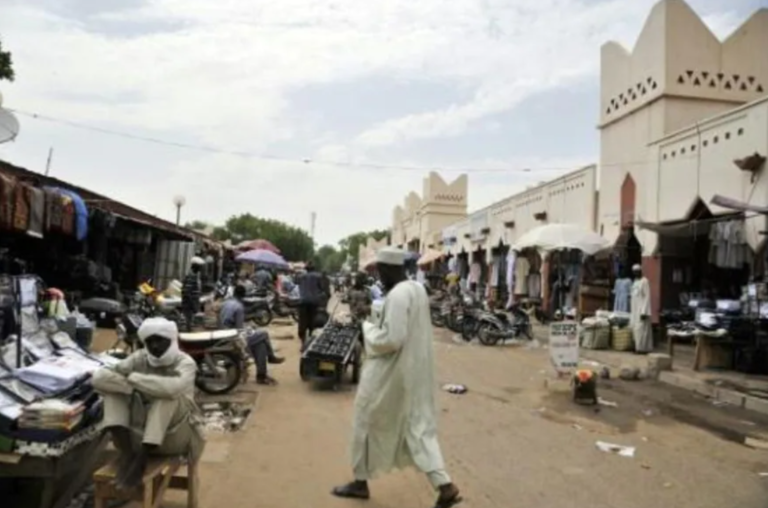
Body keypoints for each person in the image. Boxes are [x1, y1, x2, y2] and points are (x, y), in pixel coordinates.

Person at [332, 246, 461, 508]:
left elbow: (392, 339)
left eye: (380, 271)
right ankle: (444, 485)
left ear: (388, 269)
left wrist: (366, 328)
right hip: (411, 372)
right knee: (417, 428)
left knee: (365, 421)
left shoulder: (399, 295)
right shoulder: (416, 289)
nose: (379, 277)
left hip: (389, 374)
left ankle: (360, 482)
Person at [91, 317, 205, 490]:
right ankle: (128, 454)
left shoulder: (185, 363)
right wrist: (132, 387)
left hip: (175, 438)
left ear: (171, 339)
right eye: (150, 342)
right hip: (137, 437)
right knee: (113, 392)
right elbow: (99, 378)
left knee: (167, 396)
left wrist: (134, 379)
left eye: (160, 341)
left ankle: (141, 459)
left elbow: (171, 389)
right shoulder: (140, 358)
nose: (155, 346)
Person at [219, 285, 284, 385]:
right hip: (233, 336)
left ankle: (261, 375)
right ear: (243, 296)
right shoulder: (239, 307)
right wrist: (249, 329)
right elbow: (239, 328)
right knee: (264, 334)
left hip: (223, 333)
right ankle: (271, 357)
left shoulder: (226, 303)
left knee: (260, 345)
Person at [295, 260, 326, 345]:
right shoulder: (318, 276)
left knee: (302, 322)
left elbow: (297, 285)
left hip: (303, 301)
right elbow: (322, 288)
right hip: (314, 302)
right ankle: (311, 340)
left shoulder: (300, 276)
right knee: (312, 321)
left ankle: (303, 342)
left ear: (306, 269)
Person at [630, 263, 653, 353]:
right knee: (635, 329)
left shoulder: (645, 281)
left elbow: (647, 297)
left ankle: (642, 348)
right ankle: (637, 346)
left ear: (640, 271)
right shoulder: (635, 282)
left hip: (641, 310)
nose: (636, 273)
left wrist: (644, 311)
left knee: (642, 329)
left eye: (637, 271)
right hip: (634, 310)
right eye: (634, 272)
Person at [181, 256, 205, 332]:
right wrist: (194, 305)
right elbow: (187, 292)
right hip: (189, 305)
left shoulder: (194, 275)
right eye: (199, 267)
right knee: (189, 323)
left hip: (191, 304)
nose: (200, 269)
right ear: (195, 266)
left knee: (190, 323)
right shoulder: (191, 276)